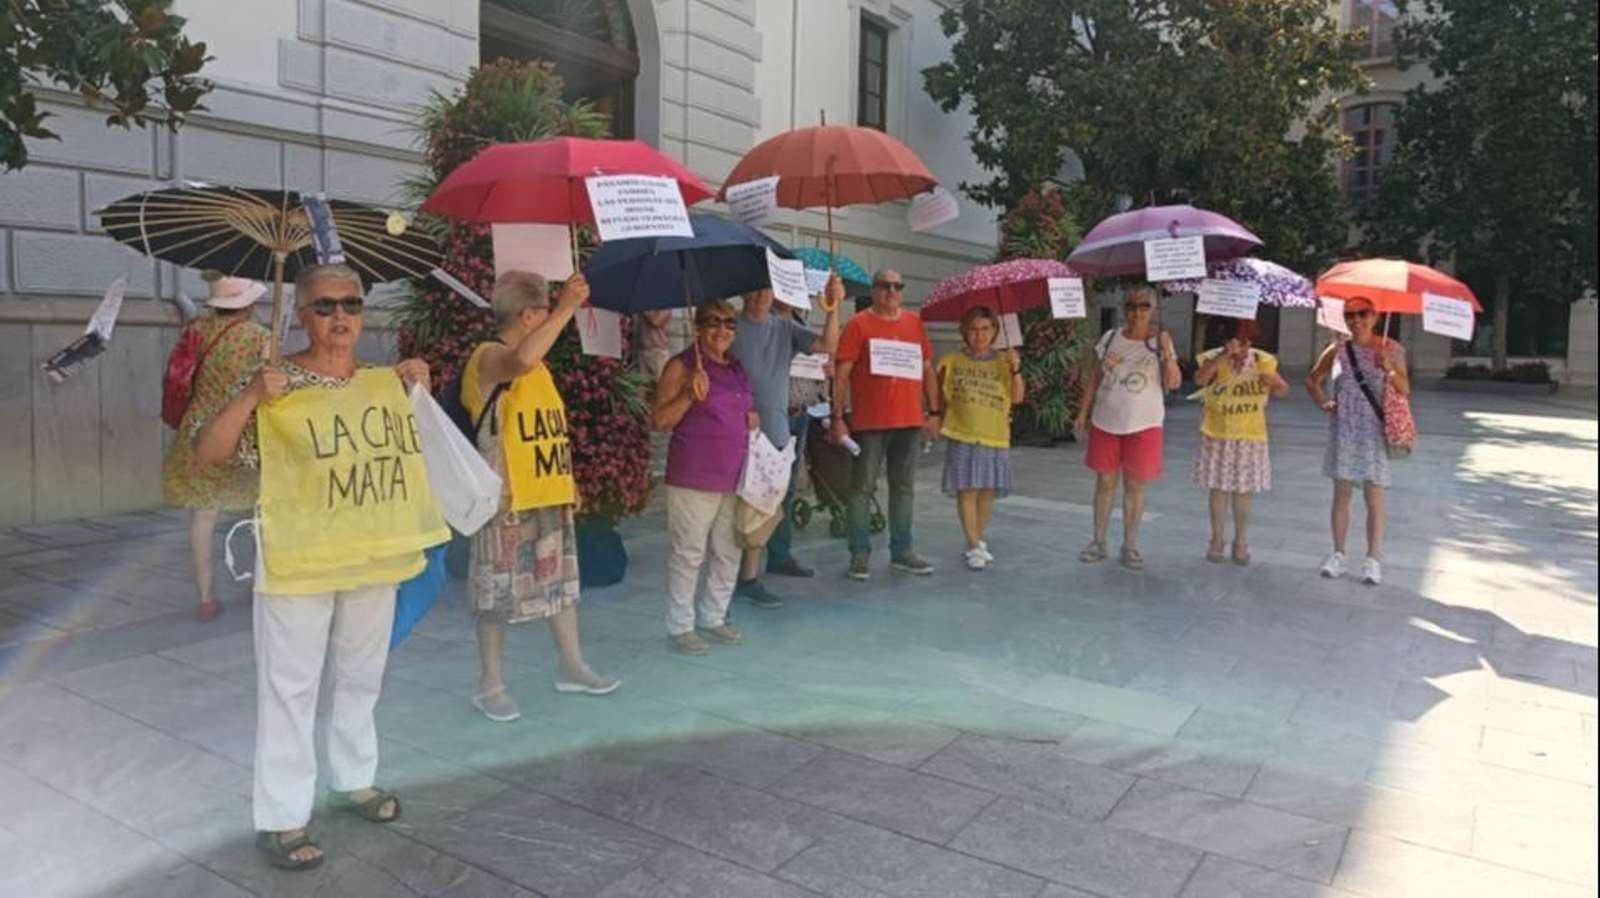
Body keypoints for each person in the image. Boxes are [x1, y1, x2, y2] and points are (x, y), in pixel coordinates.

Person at [194, 263, 434, 871]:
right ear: (300, 313)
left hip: (371, 551)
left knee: (362, 674)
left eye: (351, 303)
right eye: (324, 306)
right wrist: (251, 395)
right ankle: (281, 816)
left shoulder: (384, 383)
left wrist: (418, 389)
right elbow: (207, 455)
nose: (340, 317)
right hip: (299, 558)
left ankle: (354, 778)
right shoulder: (276, 384)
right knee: (289, 688)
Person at [458, 270, 620, 723]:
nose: (552, 321)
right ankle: (490, 683)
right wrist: (568, 306)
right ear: (529, 316)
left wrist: (568, 482)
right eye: (545, 312)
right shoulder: (490, 356)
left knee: (560, 585)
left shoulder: (540, 361)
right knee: (496, 593)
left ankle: (572, 664)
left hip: (546, 489)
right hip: (507, 497)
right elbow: (522, 362)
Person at [729, 274, 844, 608]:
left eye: (766, 288)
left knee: (765, 506)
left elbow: (828, 346)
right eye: (754, 288)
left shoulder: (784, 328)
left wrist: (833, 307)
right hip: (736, 431)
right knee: (731, 507)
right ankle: (726, 576)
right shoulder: (729, 326)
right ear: (743, 292)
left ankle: (749, 578)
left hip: (775, 431)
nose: (761, 295)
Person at [652, 299, 758, 655]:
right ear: (697, 327)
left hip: (735, 476)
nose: (723, 330)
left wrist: (751, 420)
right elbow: (661, 421)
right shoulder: (680, 367)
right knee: (689, 553)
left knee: (729, 551)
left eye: (730, 323)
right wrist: (687, 394)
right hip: (693, 476)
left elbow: (740, 409)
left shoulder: (736, 367)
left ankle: (713, 616)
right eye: (713, 322)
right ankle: (680, 625)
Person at [162, 272, 269, 621]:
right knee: (259, 511)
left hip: (198, 431)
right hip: (242, 435)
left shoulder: (196, 331)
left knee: (204, 514)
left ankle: (206, 596)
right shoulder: (261, 337)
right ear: (248, 303)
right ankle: (260, 584)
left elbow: (179, 377)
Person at [830, 269, 940, 581]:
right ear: (874, 290)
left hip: (908, 420)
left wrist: (934, 411)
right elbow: (841, 375)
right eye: (885, 286)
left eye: (897, 286)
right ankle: (859, 553)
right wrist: (838, 417)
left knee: (904, 489)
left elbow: (927, 369)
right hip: (870, 423)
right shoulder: (858, 325)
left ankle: (902, 550)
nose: (891, 291)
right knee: (861, 489)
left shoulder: (914, 323)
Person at [1074, 285, 1182, 570]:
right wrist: (1083, 412)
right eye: (1132, 306)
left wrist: (1168, 352)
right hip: (1106, 420)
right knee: (1105, 482)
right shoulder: (1110, 338)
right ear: (1125, 309)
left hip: (1144, 424)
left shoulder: (1160, 342)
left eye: (1144, 306)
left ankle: (1130, 545)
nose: (1137, 312)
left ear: (1153, 310)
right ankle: (1098, 541)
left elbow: (1174, 383)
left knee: (1135, 485)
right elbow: (1095, 377)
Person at [1304, 295, 1410, 586]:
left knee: (1374, 498)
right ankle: (1338, 554)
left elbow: (1404, 389)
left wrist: (1389, 367)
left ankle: (1373, 559)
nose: (1357, 319)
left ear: (1375, 316)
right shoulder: (1337, 350)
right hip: (1345, 430)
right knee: (1342, 494)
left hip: (1374, 432)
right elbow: (1312, 379)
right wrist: (1324, 402)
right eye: (1350, 314)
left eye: (1363, 313)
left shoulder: (1392, 349)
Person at [1192, 318, 1290, 566]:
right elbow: (1200, 379)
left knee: (1243, 490)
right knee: (1218, 488)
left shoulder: (1261, 360)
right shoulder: (1213, 357)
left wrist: (1275, 383)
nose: (1242, 348)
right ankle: (1216, 539)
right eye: (1237, 342)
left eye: (1247, 343)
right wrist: (1224, 356)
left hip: (1250, 434)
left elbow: (1283, 390)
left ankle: (1241, 541)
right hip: (1217, 432)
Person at [938, 306, 1025, 571]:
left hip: (995, 435)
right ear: (965, 331)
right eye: (974, 329)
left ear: (995, 331)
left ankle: (976, 539)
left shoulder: (1004, 361)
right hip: (963, 433)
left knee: (987, 490)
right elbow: (940, 397)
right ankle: (974, 544)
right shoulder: (950, 361)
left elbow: (1018, 397)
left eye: (986, 329)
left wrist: (1015, 370)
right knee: (967, 489)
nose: (980, 335)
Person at [765, 303, 832, 580]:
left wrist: (823, 373)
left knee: (788, 490)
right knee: (762, 489)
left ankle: (780, 554)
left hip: (801, 414)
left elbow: (822, 352)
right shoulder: (764, 323)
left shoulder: (801, 325)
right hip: (773, 415)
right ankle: (748, 555)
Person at [639, 309, 673, 381]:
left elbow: (656, 321)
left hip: (658, 350)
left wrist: (645, 310)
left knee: (660, 382)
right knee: (643, 386)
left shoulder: (665, 303)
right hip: (643, 349)